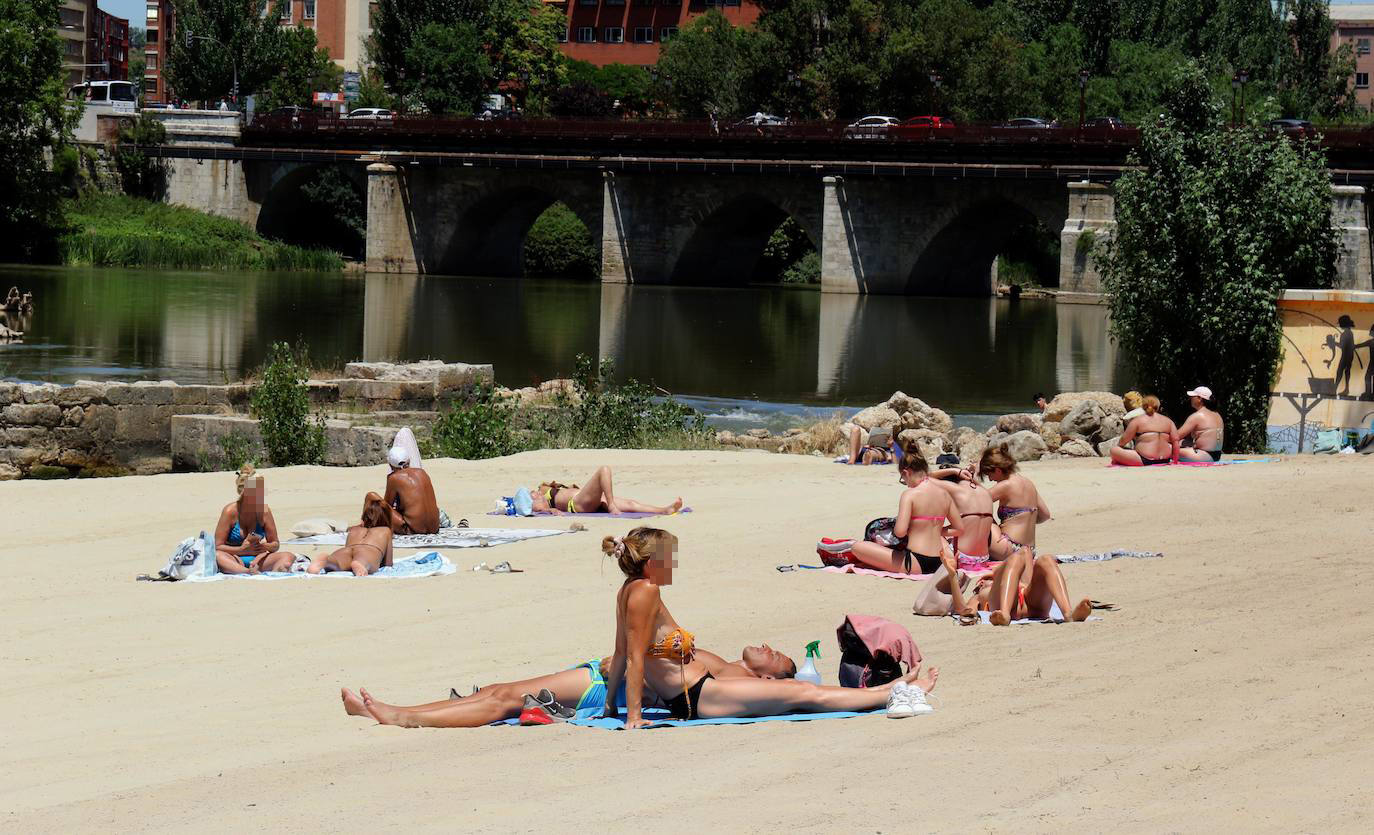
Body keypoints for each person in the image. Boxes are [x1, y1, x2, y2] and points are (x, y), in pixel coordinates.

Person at [602, 527, 939, 726]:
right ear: (651, 564)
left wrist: (609, 707)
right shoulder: (646, 591)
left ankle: (889, 689)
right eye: (668, 559)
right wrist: (633, 714)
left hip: (695, 692)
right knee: (802, 694)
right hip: (697, 694)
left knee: (799, 694)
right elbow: (632, 657)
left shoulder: (629, 590)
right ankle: (891, 691)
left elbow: (621, 652)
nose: (673, 565)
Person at [344, 643, 797, 729]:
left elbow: (673, 689)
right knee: (501, 688)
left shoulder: (733, 678)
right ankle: (400, 709)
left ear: (768, 679)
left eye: (778, 657)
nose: (768, 647)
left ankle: (403, 717)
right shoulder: (727, 664)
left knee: (503, 700)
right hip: (606, 673)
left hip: (605, 687)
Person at [848, 451, 963, 575]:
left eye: (903, 479)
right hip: (940, 561)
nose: (906, 484)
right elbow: (959, 529)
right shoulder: (945, 494)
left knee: (857, 547)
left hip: (915, 561)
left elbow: (900, 532)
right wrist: (935, 531)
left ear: (906, 473)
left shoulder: (910, 495)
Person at [213, 466, 297, 574]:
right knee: (218, 556)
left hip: (259, 560)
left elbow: (275, 544)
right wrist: (241, 550)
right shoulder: (230, 511)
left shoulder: (264, 511)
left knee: (288, 556)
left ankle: (271, 570)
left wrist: (264, 546)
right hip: (234, 558)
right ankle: (247, 571)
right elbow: (218, 546)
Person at [979, 446, 1050, 571]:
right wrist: (1024, 518)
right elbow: (1045, 515)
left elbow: (973, 501)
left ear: (997, 470)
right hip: (1029, 551)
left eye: (989, 474)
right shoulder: (1028, 483)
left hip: (1008, 548)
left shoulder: (1005, 485)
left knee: (981, 512)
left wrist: (973, 477)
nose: (990, 479)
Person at [981, 547, 1093, 626]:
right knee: (1015, 558)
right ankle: (1005, 614)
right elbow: (969, 610)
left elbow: (1025, 553)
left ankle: (1068, 614)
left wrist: (995, 573)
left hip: (1031, 604)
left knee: (1046, 560)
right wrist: (995, 574)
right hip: (1004, 606)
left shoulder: (1015, 578)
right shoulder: (982, 592)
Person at [529, 466, 683, 516]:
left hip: (584, 500)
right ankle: (611, 505)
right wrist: (552, 510)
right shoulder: (541, 491)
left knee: (630, 503)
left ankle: (664, 510)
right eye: (531, 494)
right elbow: (538, 508)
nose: (533, 494)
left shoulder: (555, 488)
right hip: (575, 504)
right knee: (604, 470)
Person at [307, 493, 394, 575]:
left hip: (347, 550)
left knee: (338, 563)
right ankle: (361, 564)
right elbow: (388, 564)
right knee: (366, 562)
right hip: (367, 551)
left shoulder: (354, 530)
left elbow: (349, 549)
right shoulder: (385, 531)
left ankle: (328, 560)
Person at [1108, 394, 1179, 466]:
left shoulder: (1137, 421)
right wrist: (1175, 461)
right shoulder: (1168, 421)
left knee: (1114, 450)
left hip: (1145, 460)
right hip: (1165, 459)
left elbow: (1123, 441)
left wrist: (1120, 448)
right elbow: (1176, 441)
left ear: (1143, 406)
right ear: (1157, 406)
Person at [383, 446, 439, 534]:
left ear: (390, 465)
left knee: (372, 498)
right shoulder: (422, 472)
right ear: (408, 461)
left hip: (413, 529)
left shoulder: (393, 478)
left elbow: (386, 506)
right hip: (435, 528)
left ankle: (365, 528)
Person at [1177, 386, 1225, 462]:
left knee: (1168, 448)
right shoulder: (1217, 414)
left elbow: (1176, 436)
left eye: (1193, 396)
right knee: (1182, 442)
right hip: (1217, 455)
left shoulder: (1197, 416)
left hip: (1204, 455)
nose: (1191, 398)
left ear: (1199, 399)